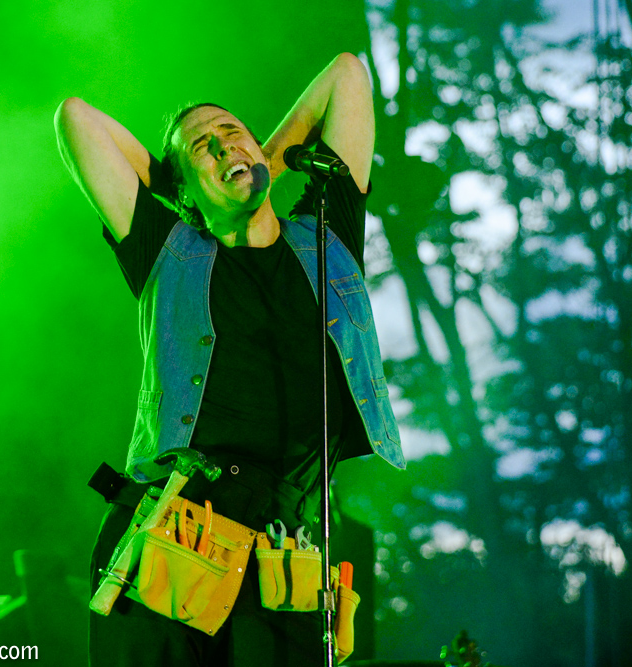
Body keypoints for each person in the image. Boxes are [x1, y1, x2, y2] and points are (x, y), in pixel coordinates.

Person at [55, 52, 404, 667]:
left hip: (288, 542)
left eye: (232, 131)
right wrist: (191, 180)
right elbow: (76, 119)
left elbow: (347, 73)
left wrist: (250, 160)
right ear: (180, 190)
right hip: (180, 534)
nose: (221, 145)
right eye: (202, 147)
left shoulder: (327, 231)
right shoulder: (166, 249)